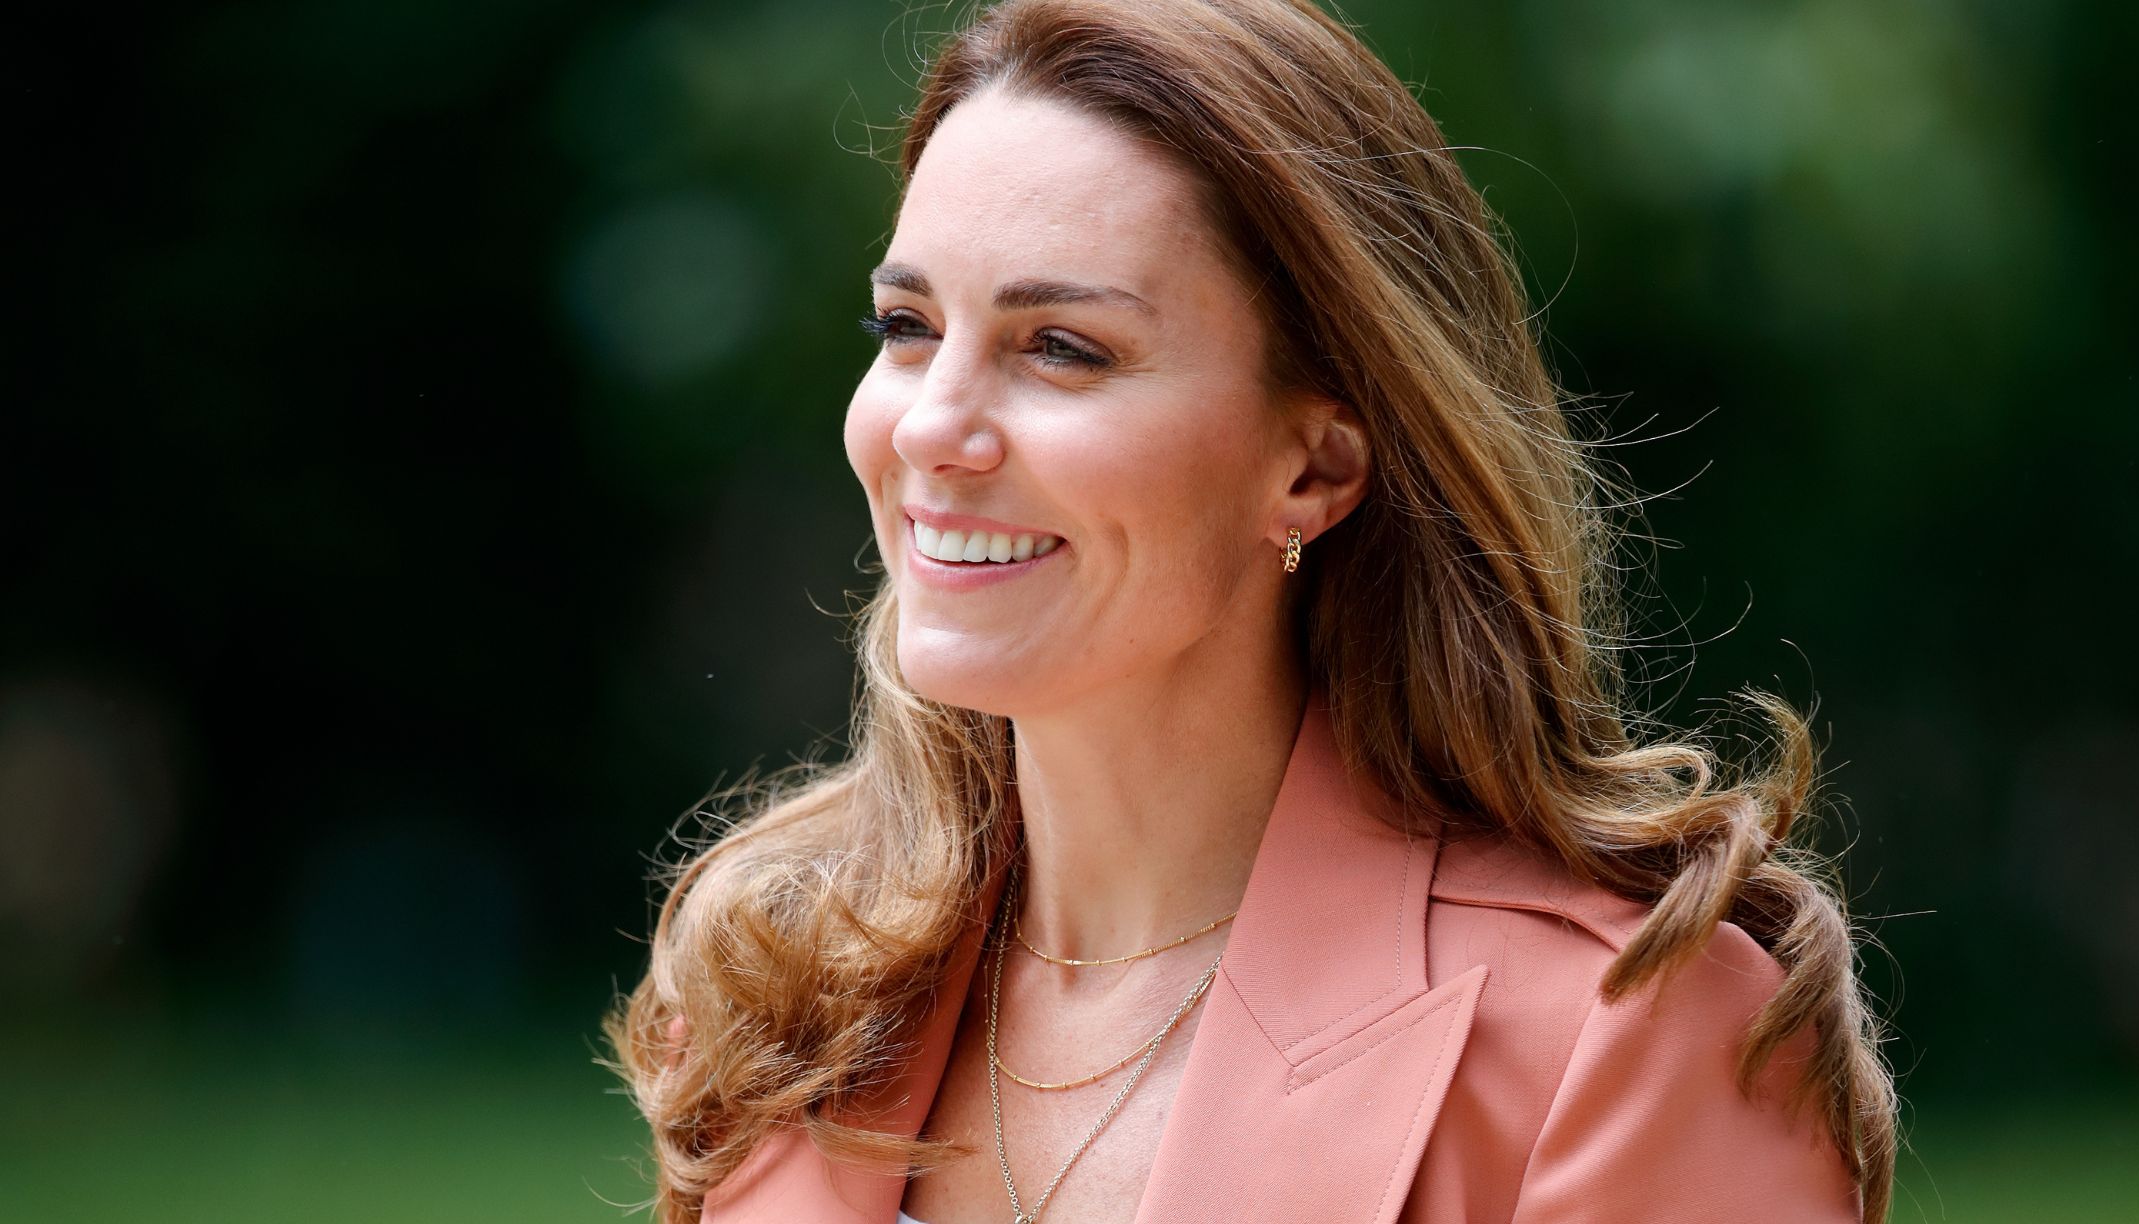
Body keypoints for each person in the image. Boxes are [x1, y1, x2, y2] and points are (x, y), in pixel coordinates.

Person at [603, 1, 1898, 1221]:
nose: (933, 424)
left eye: (1062, 346)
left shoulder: (1624, 1034)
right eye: (907, 324)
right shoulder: (783, 1011)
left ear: (1316, 466)